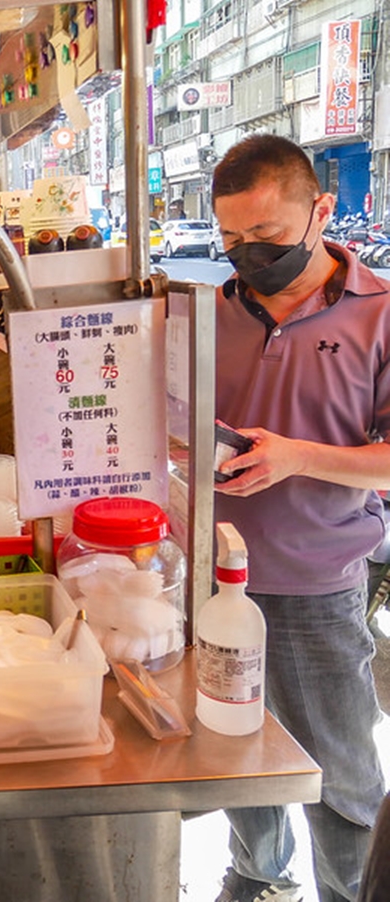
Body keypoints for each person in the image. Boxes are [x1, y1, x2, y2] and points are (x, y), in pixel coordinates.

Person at [211, 133, 388, 902]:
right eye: (233, 239)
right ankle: (255, 878)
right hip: (212, 582)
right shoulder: (207, 310)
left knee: (338, 775)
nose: (249, 254)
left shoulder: (378, 315)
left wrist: (298, 457)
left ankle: (351, 893)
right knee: (235, 753)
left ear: (322, 209)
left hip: (317, 584)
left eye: (269, 236)